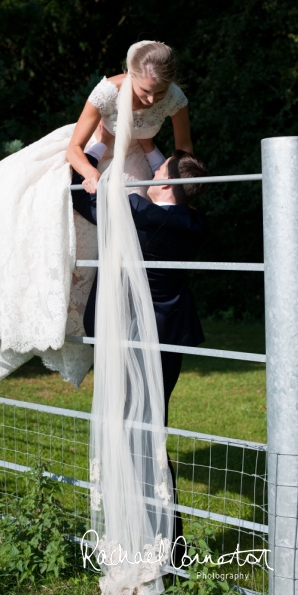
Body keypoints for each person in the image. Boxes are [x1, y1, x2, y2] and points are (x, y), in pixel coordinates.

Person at [0, 40, 192, 387]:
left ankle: (119, 334)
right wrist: (91, 174)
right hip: (93, 155)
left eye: (159, 92)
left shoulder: (175, 99)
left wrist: (164, 170)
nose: (152, 101)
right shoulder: (107, 91)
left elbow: (184, 155)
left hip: (138, 168)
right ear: (131, 74)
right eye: (145, 91)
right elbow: (75, 148)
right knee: (23, 207)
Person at [72, 126, 209, 569]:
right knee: (151, 430)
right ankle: (167, 542)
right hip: (169, 337)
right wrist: (149, 147)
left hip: (130, 337)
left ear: (163, 183)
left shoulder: (135, 210)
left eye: (157, 171)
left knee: (131, 433)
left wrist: (90, 152)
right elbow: (169, 181)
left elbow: (78, 192)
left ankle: (152, 543)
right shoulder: (192, 221)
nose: (151, 172)